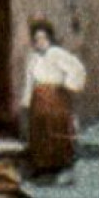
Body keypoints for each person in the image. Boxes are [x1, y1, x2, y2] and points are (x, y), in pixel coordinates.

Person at [21, 20, 86, 176]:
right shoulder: (33, 58)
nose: (39, 42)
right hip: (39, 98)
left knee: (55, 126)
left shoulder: (57, 54)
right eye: (36, 39)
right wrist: (27, 100)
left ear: (49, 38)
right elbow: (30, 80)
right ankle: (41, 163)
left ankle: (59, 163)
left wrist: (67, 85)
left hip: (55, 96)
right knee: (39, 129)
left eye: (43, 38)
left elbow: (76, 68)